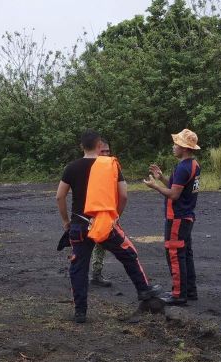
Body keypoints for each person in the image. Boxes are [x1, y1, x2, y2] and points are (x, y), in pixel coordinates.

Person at [56, 130, 164, 324]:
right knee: (128, 254)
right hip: (104, 223)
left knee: (78, 268)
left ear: (82, 146)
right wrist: (115, 217)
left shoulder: (71, 167)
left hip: (79, 224)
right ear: (100, 146)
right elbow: (123, 195)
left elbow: (59, 196)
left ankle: (80, 312)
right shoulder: (110, 165)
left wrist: (66, 221)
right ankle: (144, 290)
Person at [143, 128, 202, 305]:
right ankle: (189, 290)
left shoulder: (184, 167)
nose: (173, 147)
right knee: (185, 254)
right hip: (186, 216)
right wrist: (161, 178)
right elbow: (177, 187)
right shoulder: (193, 165)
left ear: (184, 147)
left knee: (175, 254)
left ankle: (178, 294)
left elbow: (174, 194)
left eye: (176, 144)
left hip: (177, 217)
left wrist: (155, 186)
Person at [90, 142, 114, 288]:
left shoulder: (110, 167)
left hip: (104, 212)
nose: (105, 154)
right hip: (90, 212)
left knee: (100, 244)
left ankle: (96, 273)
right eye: (103, 151)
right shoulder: (90, 167)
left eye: (108, 151)